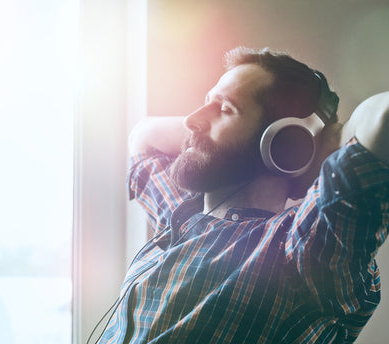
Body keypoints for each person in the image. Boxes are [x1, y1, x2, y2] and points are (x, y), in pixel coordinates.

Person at [97, 47, 389, 343]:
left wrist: (319, 139)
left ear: (285, 143)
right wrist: (210, 121)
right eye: (205, 103)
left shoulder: (301, 250)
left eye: (224, 109)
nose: (191, 120)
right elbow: (143, 138)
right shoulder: (179, 221)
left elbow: (383, 117)